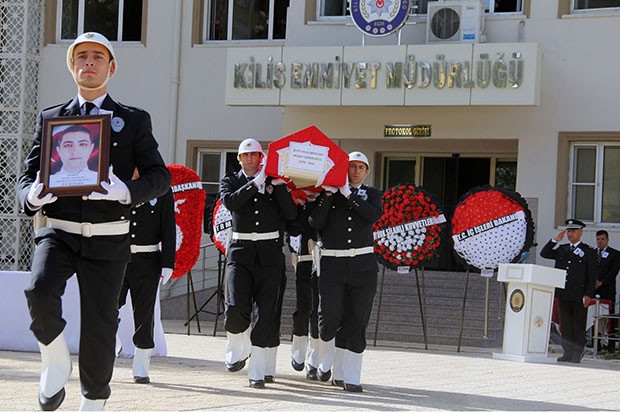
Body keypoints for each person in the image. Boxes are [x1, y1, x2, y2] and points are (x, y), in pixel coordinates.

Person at [17, 32, 171, 411]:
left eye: (97, 57)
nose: (89, 62)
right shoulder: (51, 118)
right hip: (59, 230)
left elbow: (160, 176)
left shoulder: (133, 121)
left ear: (111, 67)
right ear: (72, 67)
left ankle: (93, 400)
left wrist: (126, 192)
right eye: (81, 56)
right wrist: (31, 196)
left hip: (109, 236)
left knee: (101, 324)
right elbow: (25, 178)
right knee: (39, 290)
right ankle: (55, 361)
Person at [220, 138, 297, 388]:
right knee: (235, 306)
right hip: (240, 252)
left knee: (266, 314)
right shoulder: (230, 181)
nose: (251, 159)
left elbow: (291, 215)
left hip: (269, 254)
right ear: (239, 159)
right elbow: (230, 202)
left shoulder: (274, 183)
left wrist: (280, 186)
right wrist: (256, 183)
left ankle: (257, 372)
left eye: (255, 155)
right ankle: (238, 345)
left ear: (262, 158)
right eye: (246, 155)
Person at [309, 151, 383, 392]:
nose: (356, 171)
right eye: (352, 166)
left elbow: (372, 215)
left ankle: (350, 374)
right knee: (329, 316)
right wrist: (330, 194)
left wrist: (348, 194)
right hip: (333, 263)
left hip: (362, 265)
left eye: (362, 167)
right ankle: (327, 359)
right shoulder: (328, 193)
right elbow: (316, 223)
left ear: (367, 172)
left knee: (357, 320)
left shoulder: (372, 195)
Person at [118, 168, 176, 384]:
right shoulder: (116, 185)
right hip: (117, 260)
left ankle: (141, 366)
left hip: (147, 259)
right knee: (107, 307)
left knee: (144, 314)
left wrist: (167, 262)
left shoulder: (160, 190)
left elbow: (168, 227)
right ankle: (109, 345)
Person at [540, 219, 597, 363]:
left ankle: (577, 352)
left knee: (578, 325)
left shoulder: (588, 251)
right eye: (569, 231)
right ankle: (568, 352)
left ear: (580, 233)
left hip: (579, 294)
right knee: (565, 325)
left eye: (574, 231)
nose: (571, 234)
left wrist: (588, 294)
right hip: (564, 293)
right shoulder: (562, 249)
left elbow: (592, 275)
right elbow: (544, 253)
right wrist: (555, 240)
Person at [286, 191, 320, 380]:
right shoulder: (295, 198)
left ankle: (315, 357)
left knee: (318, 310)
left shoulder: (325, 195)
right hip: (303, 257)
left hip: (323, 257)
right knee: (304, 306)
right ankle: (298, 347)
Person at [594, 230, 620, 352]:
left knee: (609, 318)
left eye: (602, 239)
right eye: (598, 239)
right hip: (593, 291)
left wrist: (601, 282)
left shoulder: (615, 254)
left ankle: (610, 346)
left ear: (607, 240)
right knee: (595, 318)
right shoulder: (592, 253)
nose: (600, 241)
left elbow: (613, 271)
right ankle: (597, 344)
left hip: (607, 290)